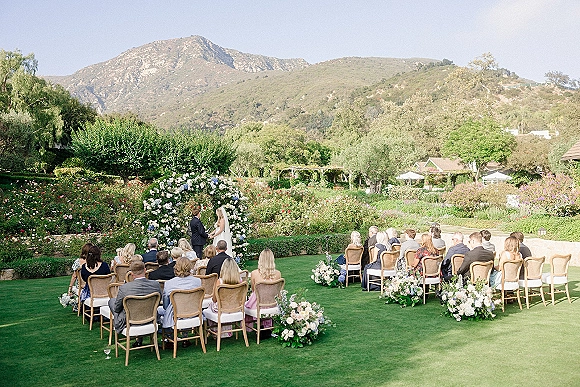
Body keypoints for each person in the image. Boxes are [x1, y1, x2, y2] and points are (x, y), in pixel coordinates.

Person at [108, 261, 161, 346]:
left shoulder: (124, 288)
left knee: (112, 302)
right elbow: (158, 302)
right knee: (113, 302)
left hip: (131, 320)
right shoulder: (155, 284)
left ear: (132, 274)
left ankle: (119, 324)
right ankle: (139, 338)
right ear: (145, 270)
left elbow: (117, 308)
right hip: (150, 317)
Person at [159, 257, 202, 329]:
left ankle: (169, 335)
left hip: (176, 314)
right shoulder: (197, 281)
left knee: (160, 310)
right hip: (194, 312)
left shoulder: (169, 283)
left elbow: (165, 305)